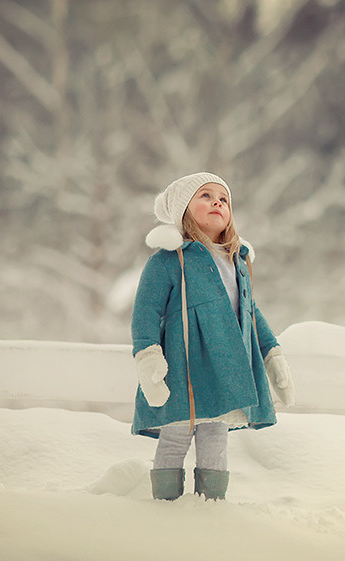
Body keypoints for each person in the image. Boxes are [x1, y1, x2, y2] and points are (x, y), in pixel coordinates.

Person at [131, 172, 294, 501]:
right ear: (183, 209)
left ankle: (211, 507)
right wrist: (148, 356)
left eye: (224, 199)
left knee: (216, 436)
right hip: (183, 367)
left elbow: (250, 313)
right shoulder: (168, 260)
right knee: (177, 434)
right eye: (205, 195)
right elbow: (146, 310)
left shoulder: (238, 261)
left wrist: (272, 355)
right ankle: (164, 506)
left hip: (225, 367)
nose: (217, 202)